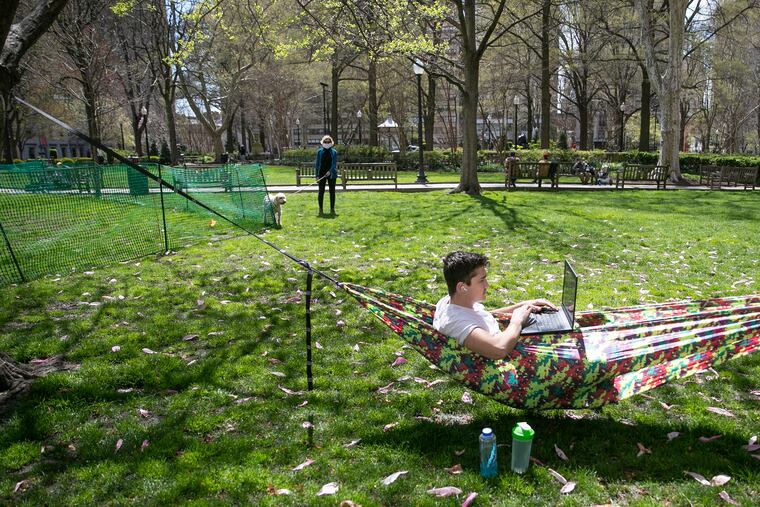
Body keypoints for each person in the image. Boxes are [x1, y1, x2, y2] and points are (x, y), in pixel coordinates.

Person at [433, 251, 557, 360]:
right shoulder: (457, 323)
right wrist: (517, 321)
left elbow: (481, 316)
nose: (487, 285)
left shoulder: (450, 302)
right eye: (482, 280)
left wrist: (521, 306)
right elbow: (499, 349)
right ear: (462, 287)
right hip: (512, 361)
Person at [314, 135, 338, 215]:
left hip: (331, 175)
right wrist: (317, 175)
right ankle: (320, 209)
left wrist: (330, 171)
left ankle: (332, 209)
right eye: (325, 141)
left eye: (328, 141)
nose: (327, 143)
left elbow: (334, 164)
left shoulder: (334, 152)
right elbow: (317, 164)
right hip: (321, 174)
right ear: (322, 142)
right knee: (321, 192)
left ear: (331, 143)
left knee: (332, 192)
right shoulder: (319, 152)